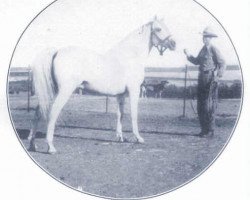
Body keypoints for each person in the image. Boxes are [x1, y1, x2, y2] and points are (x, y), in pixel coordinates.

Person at [184, 27, 226, 138]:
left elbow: (222, 63)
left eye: (207, 37)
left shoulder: (213, 49)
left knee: (209, 105)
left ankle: (210, 130)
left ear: (211, 38)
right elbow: (197, 61)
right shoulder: (203, 49)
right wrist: (188, 55)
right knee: (201, 105)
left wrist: (218, 76)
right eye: (204, 36)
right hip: (201, 77)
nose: (204, 38)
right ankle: (203, 129)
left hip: (210, 78)